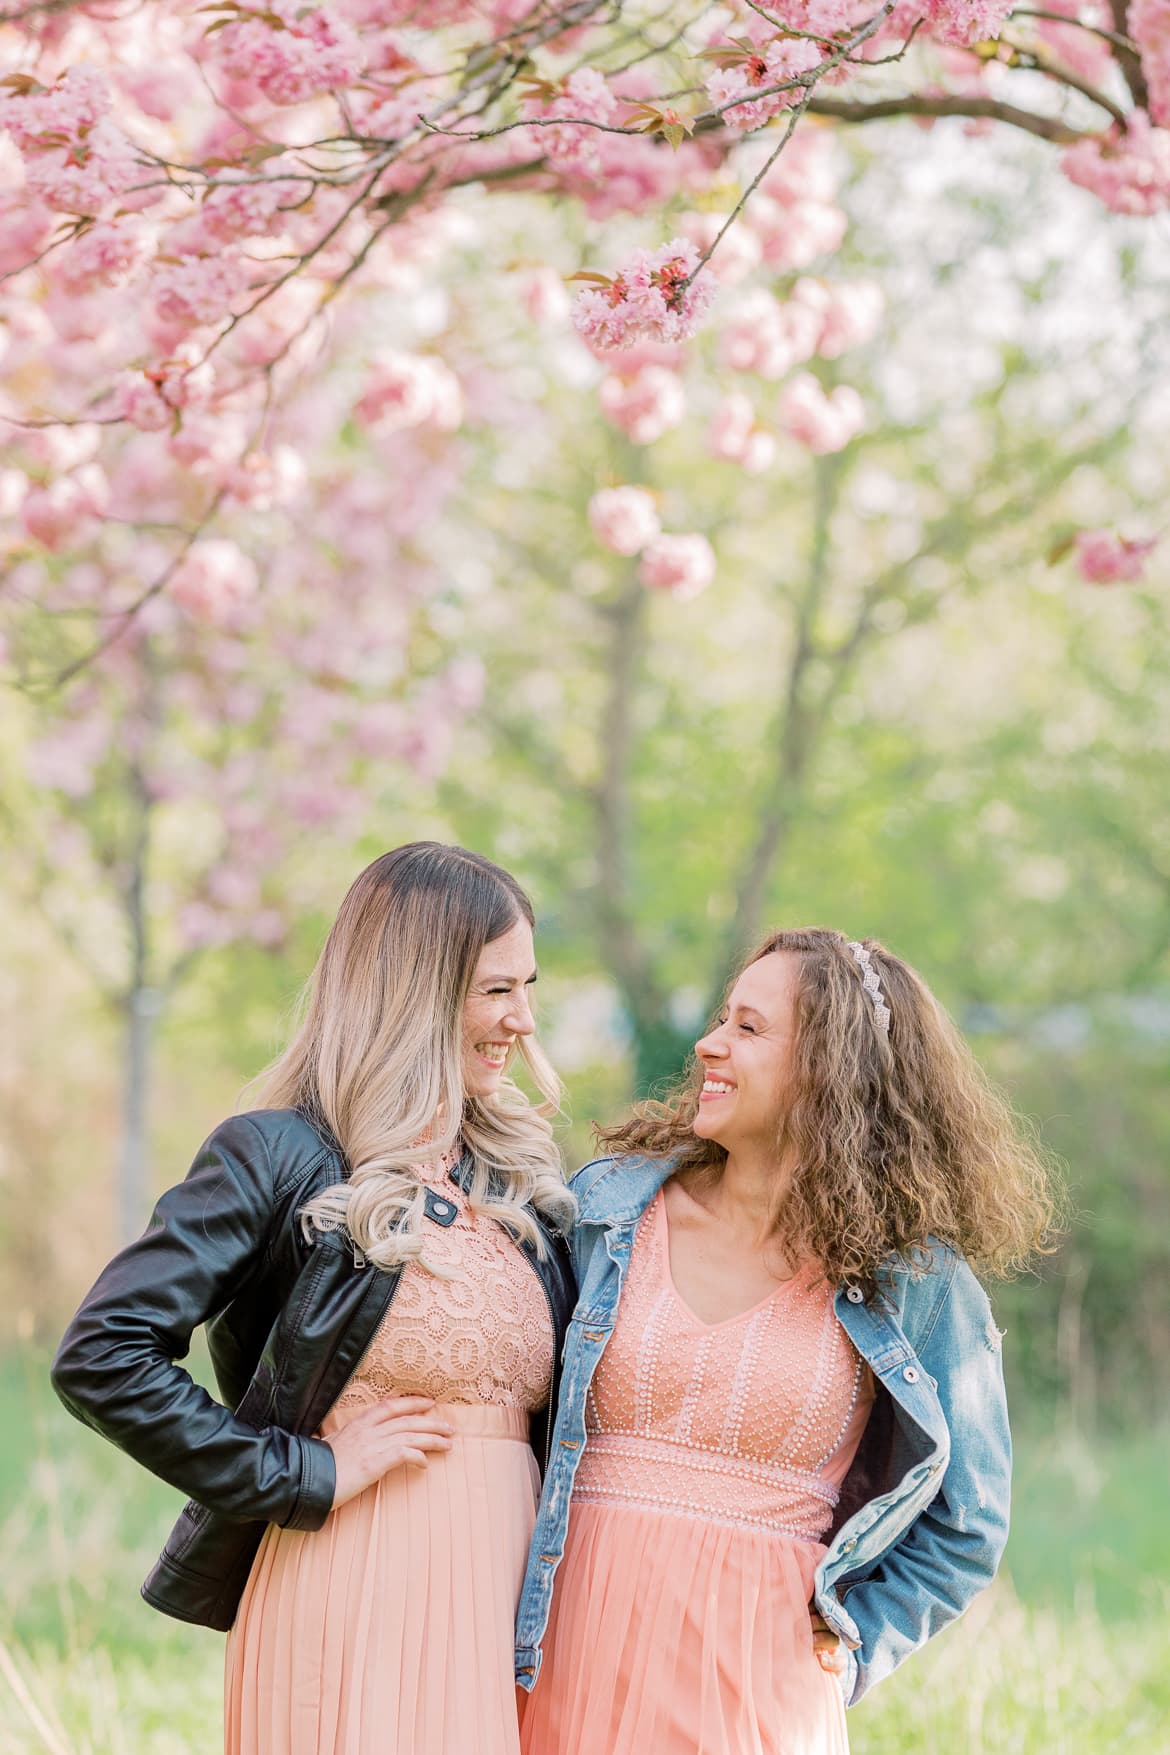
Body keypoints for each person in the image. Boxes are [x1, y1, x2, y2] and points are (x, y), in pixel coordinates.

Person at [51, 842, 576, 1755]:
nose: (524, 1020)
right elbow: (104, 1354)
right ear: (416, 988)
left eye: (528, 986)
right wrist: (302, 1473)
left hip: (512, 1601)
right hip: (354, 1579)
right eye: (497, 989)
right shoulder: (278, 1154)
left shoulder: (518, 1183)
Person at [515, 928, 1058, 1755]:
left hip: (754, 1687)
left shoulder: (913, 1279)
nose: (708, 1044)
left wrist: (851, 1645)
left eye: (748, 1027)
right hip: (559, 1656)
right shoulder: (604, 1210)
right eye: (721, 1019)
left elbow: (969, 1520)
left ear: (829, 1069)